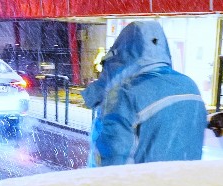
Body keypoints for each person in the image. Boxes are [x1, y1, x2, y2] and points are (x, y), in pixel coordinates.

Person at [81, 21, 207, 167]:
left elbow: (110, 163)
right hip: (183, 185)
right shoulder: (190, 87)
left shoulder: (125, 94)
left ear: (122, 53)